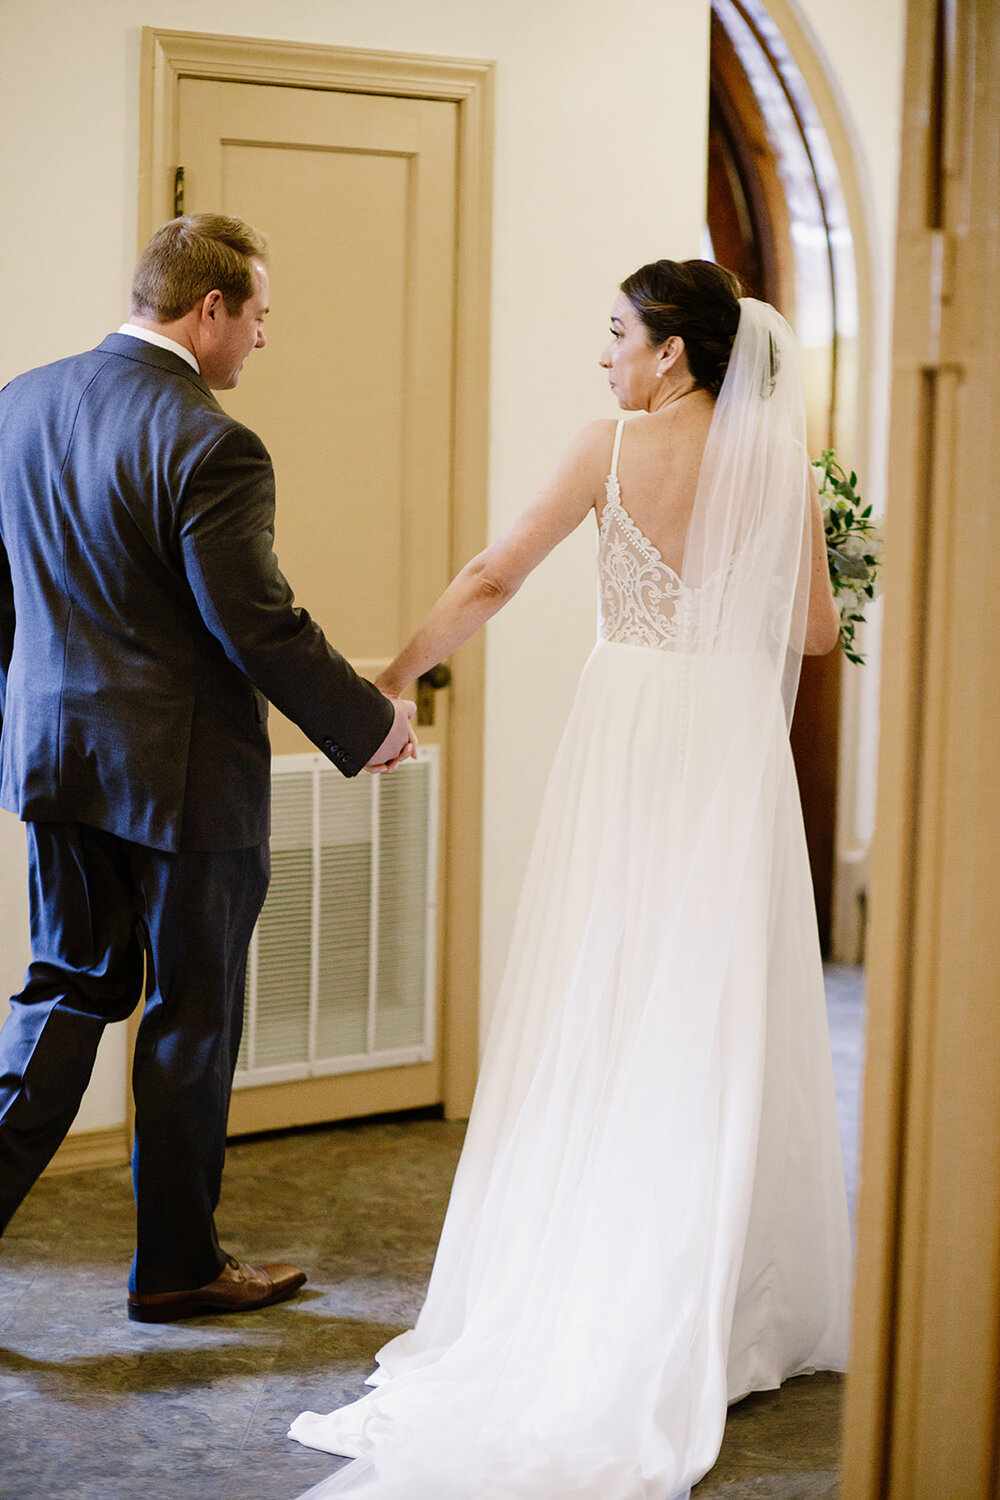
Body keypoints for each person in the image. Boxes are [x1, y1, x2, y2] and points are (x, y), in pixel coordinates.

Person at [287, 260, 851, 1500]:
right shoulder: (778, 466)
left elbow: (494, 575)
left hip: (634, 729)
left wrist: (388, 678)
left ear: (674, 356)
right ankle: (727, 1292)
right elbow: (814, 633)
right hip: (729, 742)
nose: (604, 358)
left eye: (617, 336)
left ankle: (597, 1264)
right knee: (716, 998)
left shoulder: (609, 448)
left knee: (608, 982)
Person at [0, 214, 417, 1324]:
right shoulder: (209, 439)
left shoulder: (22, 403)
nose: (262, 343)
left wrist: (28, 713)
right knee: (193, 1013)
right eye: (261, 317)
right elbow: (257, 624)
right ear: (211, 309)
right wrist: (367, 722)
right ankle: (178, 1266)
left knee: (65, 989)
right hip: (183, 780)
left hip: (52, 756)